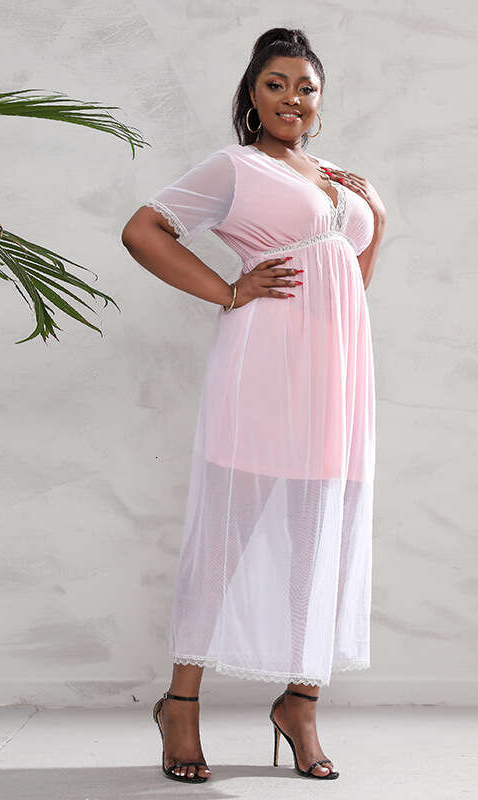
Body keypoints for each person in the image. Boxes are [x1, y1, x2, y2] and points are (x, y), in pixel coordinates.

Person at [121, 26, 386, 784]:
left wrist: (377, 218)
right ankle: (180, 704)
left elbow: (351, 283)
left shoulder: (338, 178)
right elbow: (144, 230)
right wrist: (228, 289)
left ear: (320, 99)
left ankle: (300, 703)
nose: (291, 98)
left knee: (320, 531)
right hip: (265, 364)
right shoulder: (235, 168)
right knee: (229, 531)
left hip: (338, 375)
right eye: (276, 84)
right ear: (252, 94)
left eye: (306, 86)